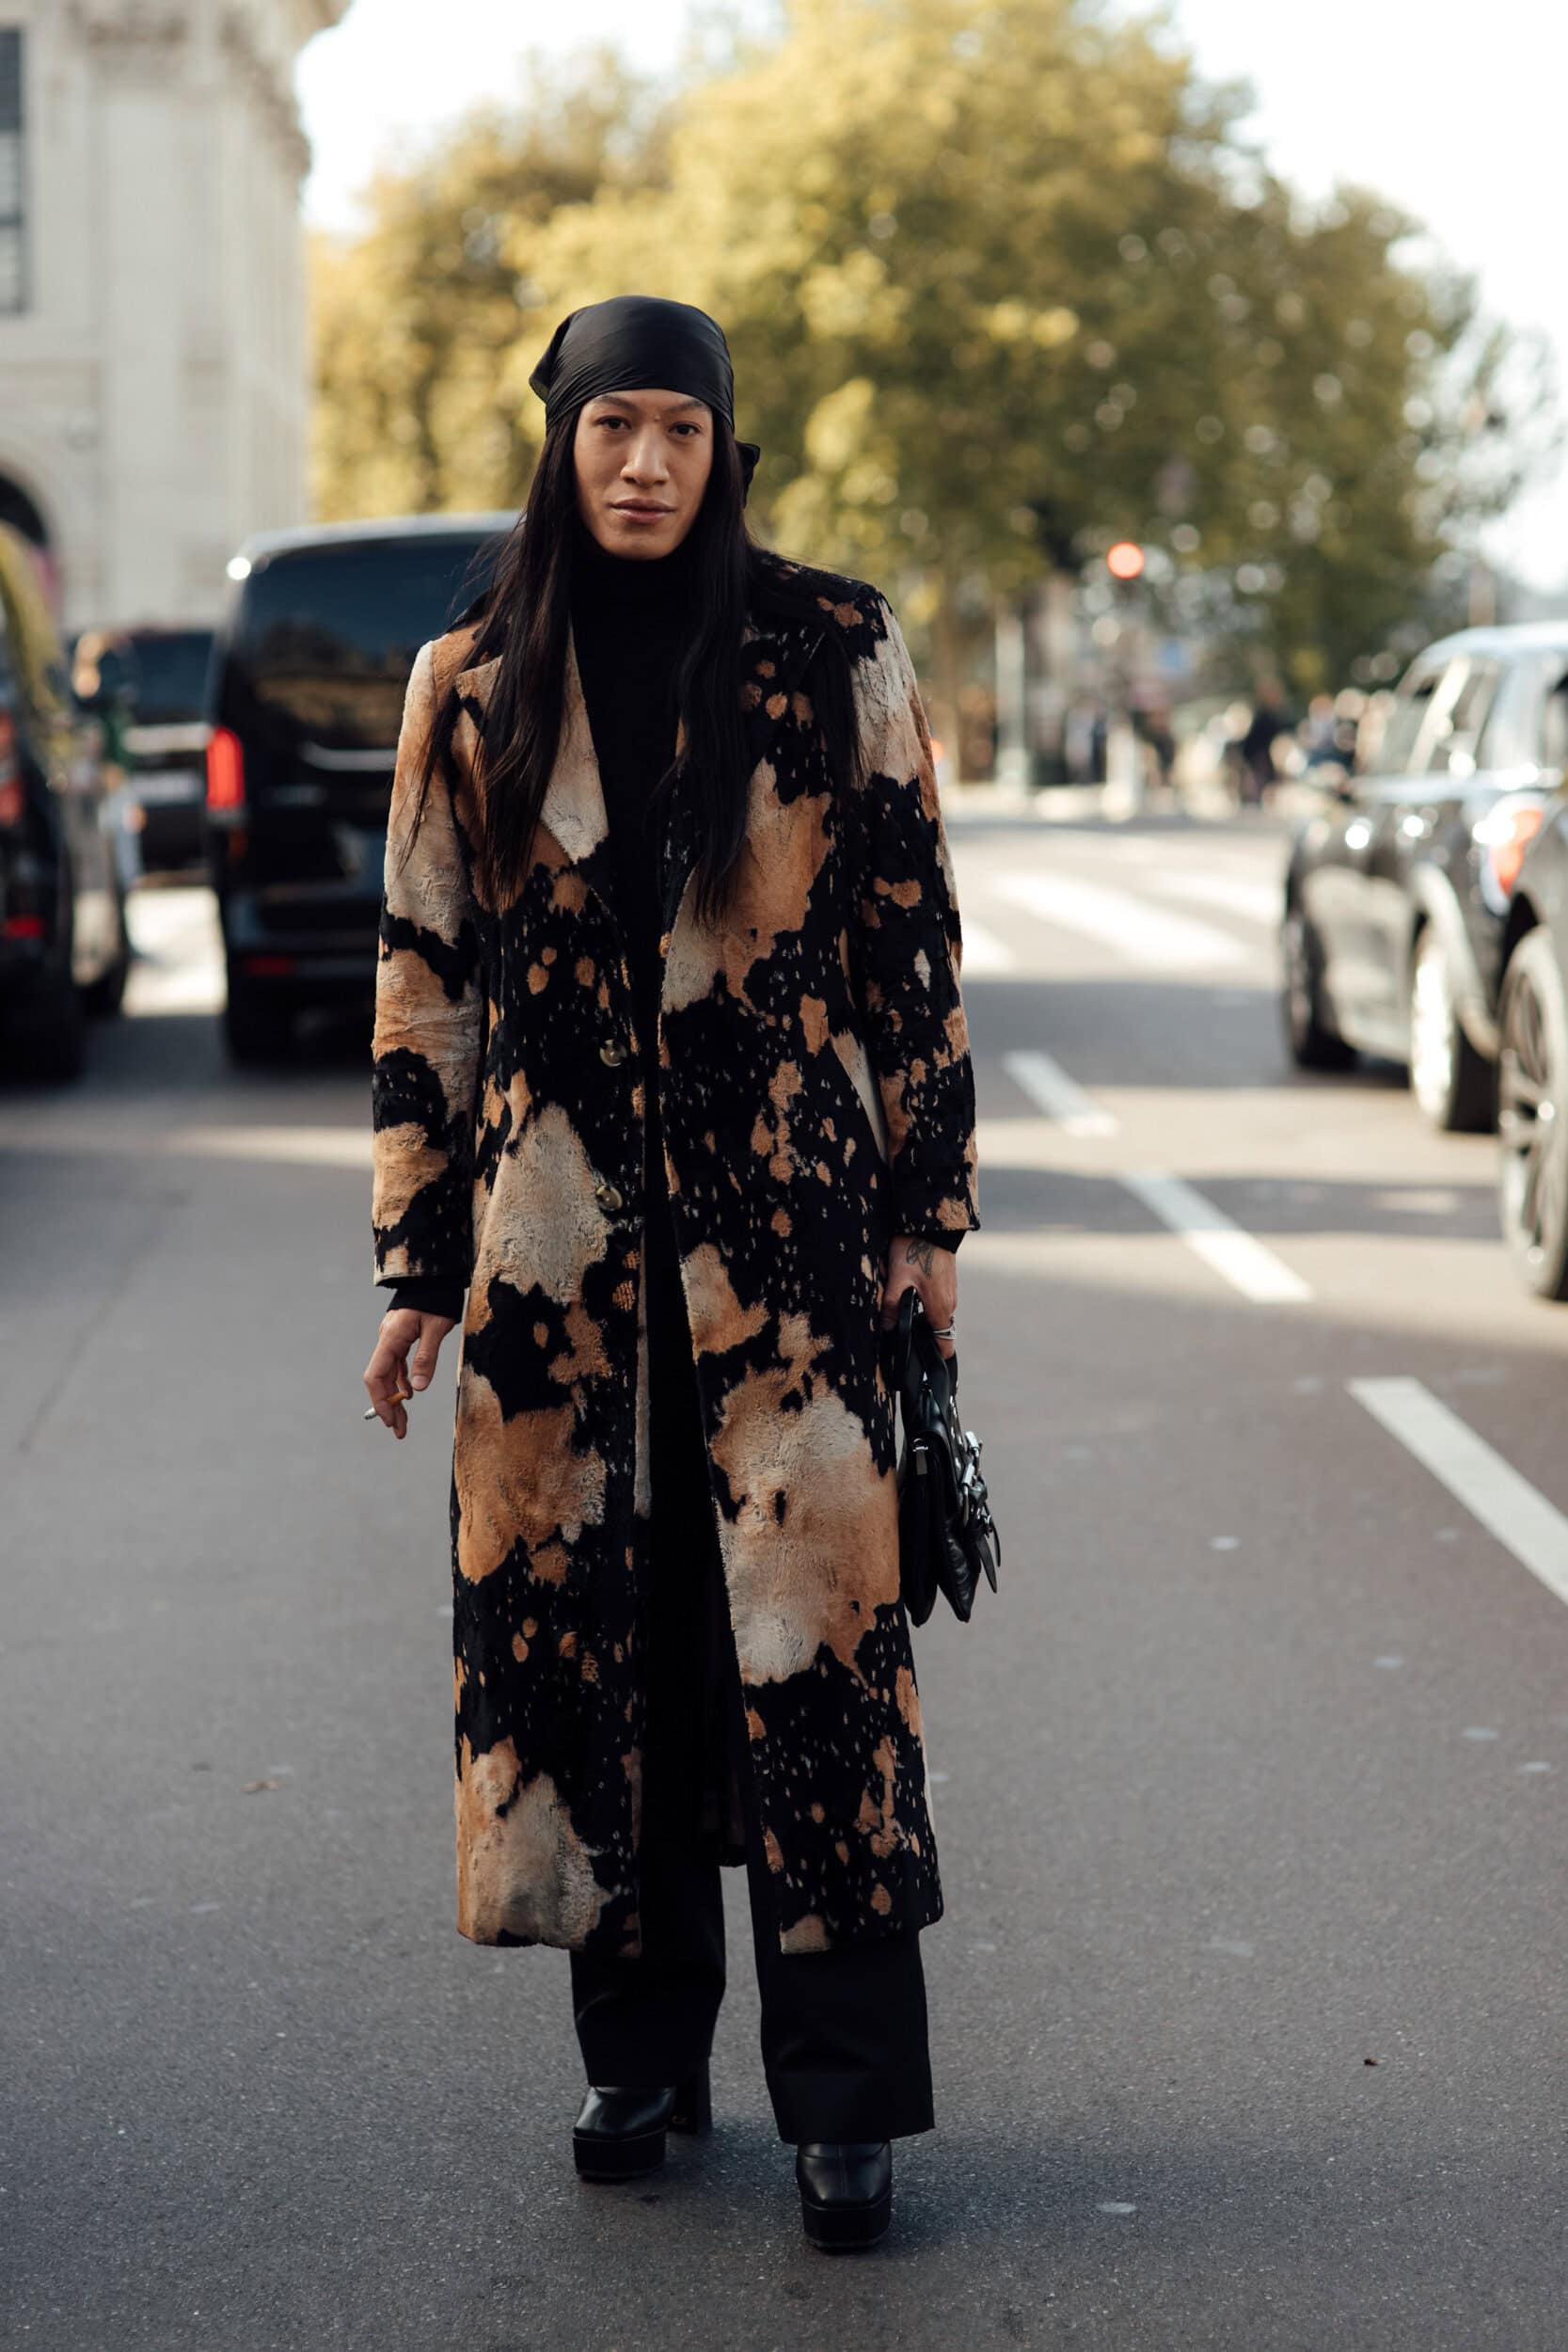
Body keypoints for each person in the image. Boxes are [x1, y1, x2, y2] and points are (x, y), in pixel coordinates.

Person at [361, 294, 981, 2252]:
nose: (645, 463)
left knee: (815, 1662)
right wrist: (416, 1260)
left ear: (726, 450)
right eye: (612, 425)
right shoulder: (474, 678)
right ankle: (638, 2050)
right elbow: (426, 983)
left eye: (681, 431)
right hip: (554, 1259)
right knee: (597, 1644)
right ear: (562, 443)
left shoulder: (829, 644)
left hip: (790, 1247)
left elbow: (911, 938)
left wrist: (928, 1217)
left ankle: (849, 2102)